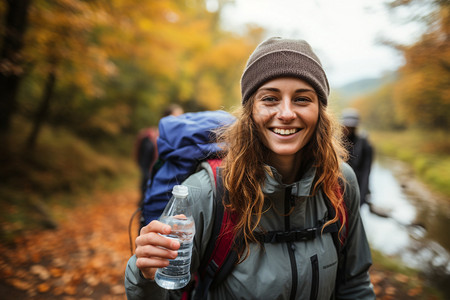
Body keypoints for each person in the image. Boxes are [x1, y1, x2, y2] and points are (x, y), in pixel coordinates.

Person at [125, 37, 375, 299]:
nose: (287, 113)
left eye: (302, 99)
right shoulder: (207, 192)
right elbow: (166, 293)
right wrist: (146, 277)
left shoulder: (339, 183)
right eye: (270, 98)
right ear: (250, 111)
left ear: (320, 111)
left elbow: (355, 284)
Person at [134, 104, 184, 204]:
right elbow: (144, 164)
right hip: (151, 185)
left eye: (181, 116)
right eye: (176, 116)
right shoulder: (151, 138)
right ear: (165, 118)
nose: (180, 120)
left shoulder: (179, 139)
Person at [341, 108, 374, 207]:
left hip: (357, 188)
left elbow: (366, 171)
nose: (349, 129)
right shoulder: (336, 142)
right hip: (338, 191)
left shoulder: (365, 145)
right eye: (347, 126)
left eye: (352, 126)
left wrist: (362, 196)